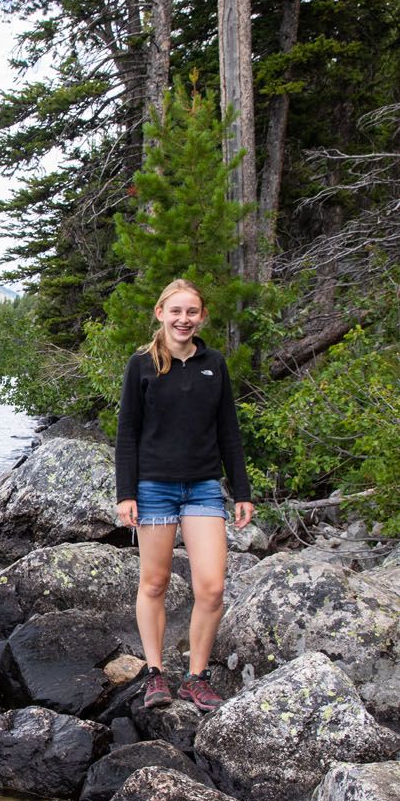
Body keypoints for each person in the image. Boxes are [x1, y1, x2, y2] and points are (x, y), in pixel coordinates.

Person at [114, 278, 254, 712]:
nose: (184, 319)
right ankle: (154, 674)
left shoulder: (214, 364)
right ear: (160, 313)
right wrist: (126, 494)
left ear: (202, 316)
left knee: (211, 588)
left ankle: (196, 677)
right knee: (154, 582)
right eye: (176, 311)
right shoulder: (142, 365)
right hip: (153, 487)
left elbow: (228, 430)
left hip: (203, 489)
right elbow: (127, 434)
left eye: (192, 312)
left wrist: (242, 492)